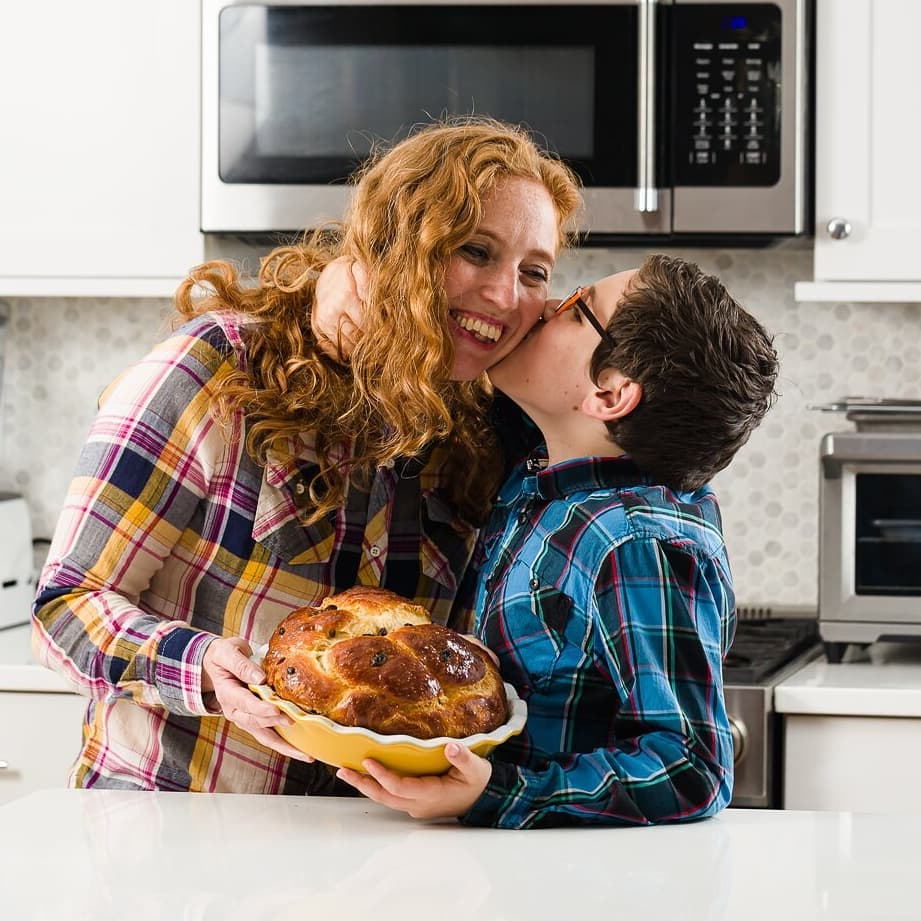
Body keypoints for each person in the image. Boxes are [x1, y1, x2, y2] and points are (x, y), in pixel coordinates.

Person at [30, 117, 582, 794]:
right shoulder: (216, 369)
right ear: (395, 245)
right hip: (172, 826)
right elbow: (64, 608)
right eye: (474, 250)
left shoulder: (485, 423)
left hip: (367, 854)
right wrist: (201, 666)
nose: (505, 296)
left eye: (533, 272)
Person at [335, 254, 780, 827]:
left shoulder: (636, 545)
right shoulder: (547, 474)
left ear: (611, 395)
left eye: (575, 310)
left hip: (570, 882)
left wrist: (495, 793)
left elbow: (692, 766)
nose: (545, 307)